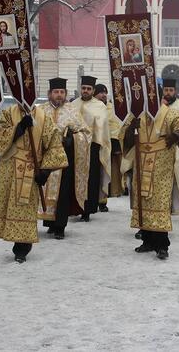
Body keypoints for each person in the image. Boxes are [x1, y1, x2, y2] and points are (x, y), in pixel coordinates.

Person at [0, 99, 68, 261]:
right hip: (10, 170)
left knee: (25, 207)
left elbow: (54, 145)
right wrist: (18, 129)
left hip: (31, 170)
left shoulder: (43, 117)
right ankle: (15, 241)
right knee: (10, 205)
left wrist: (45, 171)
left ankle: (22, 247)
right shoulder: (8, 113)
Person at [119, 104, 179, 259]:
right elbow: (124, 137)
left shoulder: (171, 113)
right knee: (143, 201)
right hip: (140, 161)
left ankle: (162, 245)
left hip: (162, 164)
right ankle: (147, 241)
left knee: (160, 201)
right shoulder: (137, 114)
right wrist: (130, 129)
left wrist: (176, 136)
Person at [38, 78, 92, 239]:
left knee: (62, 193)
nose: (59, 95)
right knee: (45, 189)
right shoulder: (41, 111)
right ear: (50, 94)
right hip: (45, 158)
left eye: (62, 92)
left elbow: (86, 133)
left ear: (65, 94)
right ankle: (50, 223)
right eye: (56, 92)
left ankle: (60, 226)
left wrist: (73, 140)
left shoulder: (72, 111)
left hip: (64, 159)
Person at [71, 76, 111, 221]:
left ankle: (87, 210)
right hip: (74, 147)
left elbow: (102, 128)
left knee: (90, 179)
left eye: (89, 89)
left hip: (92, 147)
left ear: (93, 90)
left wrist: (95, 142)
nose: (86, 91)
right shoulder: (73, 104)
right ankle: (74, 206)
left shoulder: (100, 106)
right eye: (84, 88)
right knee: (74, 178)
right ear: (80, 89)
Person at [94, 83, 123, 206]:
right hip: (95, 145)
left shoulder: (112, 108)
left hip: (109, 145)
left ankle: (103, 201)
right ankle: (93, 199)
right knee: (95, 174)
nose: (103, 95)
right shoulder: (92, 107)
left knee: (105, 173)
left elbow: (116, 125)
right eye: (101, 92)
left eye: (105, 92)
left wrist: (115, 141)